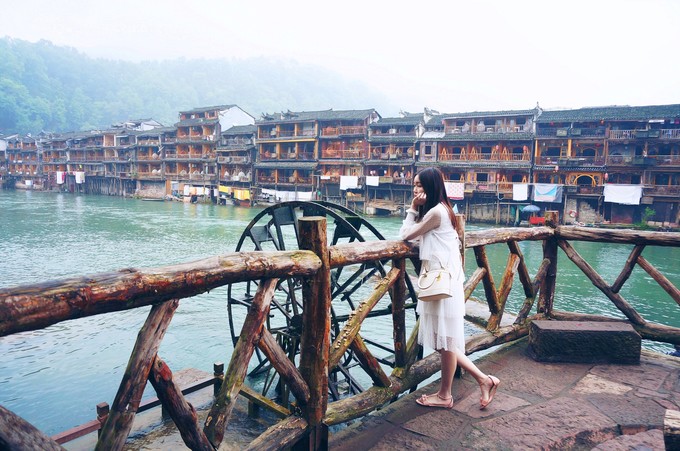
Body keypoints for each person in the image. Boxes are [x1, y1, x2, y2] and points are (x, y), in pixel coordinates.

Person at [399, 167, 500, 409]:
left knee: (445, 342)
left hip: (439, 281)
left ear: (431, 186)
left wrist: (412, 208)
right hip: (444, 279)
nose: (415, 189)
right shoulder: (444, 209)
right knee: (445, 342)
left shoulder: (436, 212)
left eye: (420, 185)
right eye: (414, 184)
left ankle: (446, 395)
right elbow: (420, 238)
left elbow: (405, 235)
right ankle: (483, 380)